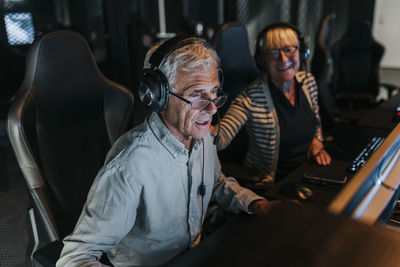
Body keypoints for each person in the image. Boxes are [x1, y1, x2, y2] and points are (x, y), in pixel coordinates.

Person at [56, 36, 277, 267]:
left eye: (213, 92)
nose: (211, 108)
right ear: (158, 96)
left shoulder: (202, 136)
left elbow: (217, 182)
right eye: (196, 94)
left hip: (194, 255)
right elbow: (75, 258)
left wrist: (254, 204)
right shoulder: (129, 166)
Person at [215, 22, 331, 189]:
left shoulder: (308, 82)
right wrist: (199, 128)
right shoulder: (251, 97)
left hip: (307, 172)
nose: (283, 59)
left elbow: (316, 121)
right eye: (274, 52)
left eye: (290, 50)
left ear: (302, 53)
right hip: (275, 185)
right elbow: (222, 136)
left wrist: (317, 141)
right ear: (262, 59)